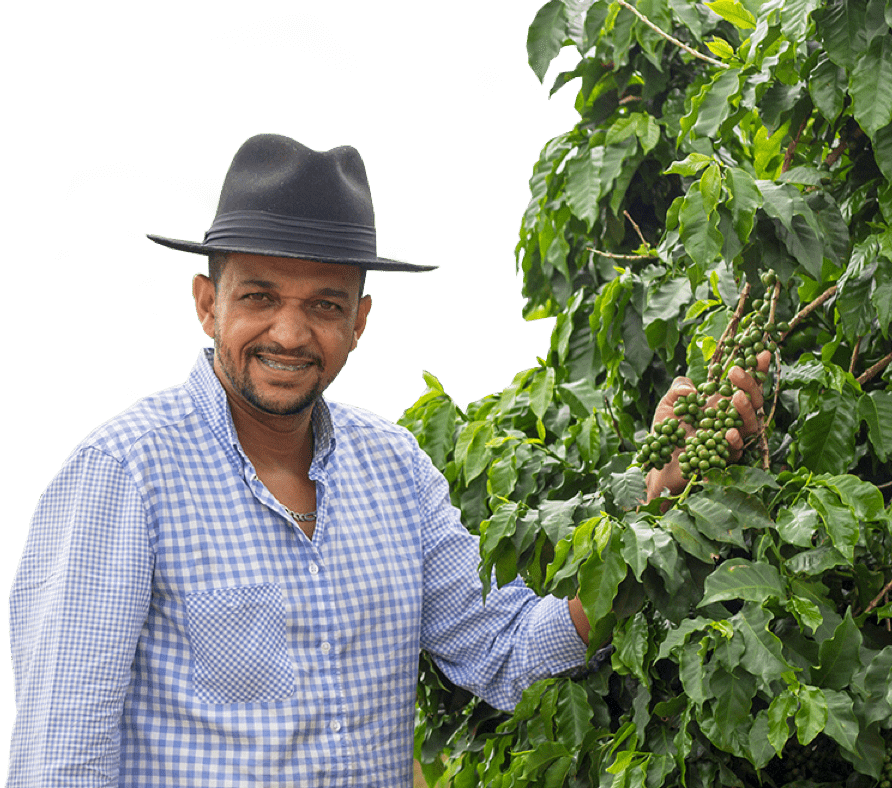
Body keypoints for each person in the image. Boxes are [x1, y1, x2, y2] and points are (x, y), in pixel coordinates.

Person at [8, 133, 767, 787]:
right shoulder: (124, 473)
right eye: (259, 297)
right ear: (208, 304)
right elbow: (61, 758)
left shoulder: (393, 467)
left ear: (360, 321)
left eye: (324, 304)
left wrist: (655, 512)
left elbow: (500, 652)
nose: (290, 333)